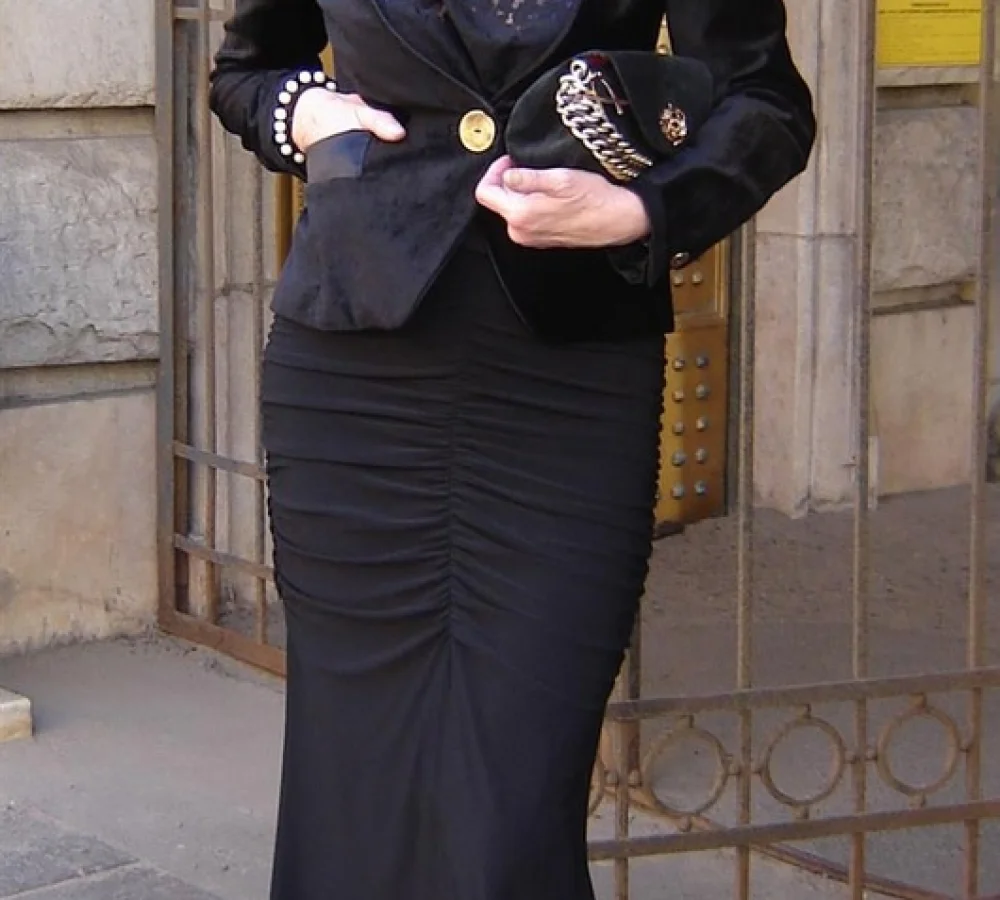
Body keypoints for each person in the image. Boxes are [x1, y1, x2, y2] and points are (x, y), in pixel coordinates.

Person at [209, 1, 815, 897]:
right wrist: (301, 113)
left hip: (569, 386)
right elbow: (246, 74)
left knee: (518, 796)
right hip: (356, 383)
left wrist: (644, 209)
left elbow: (766, 102)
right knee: (355, 779)